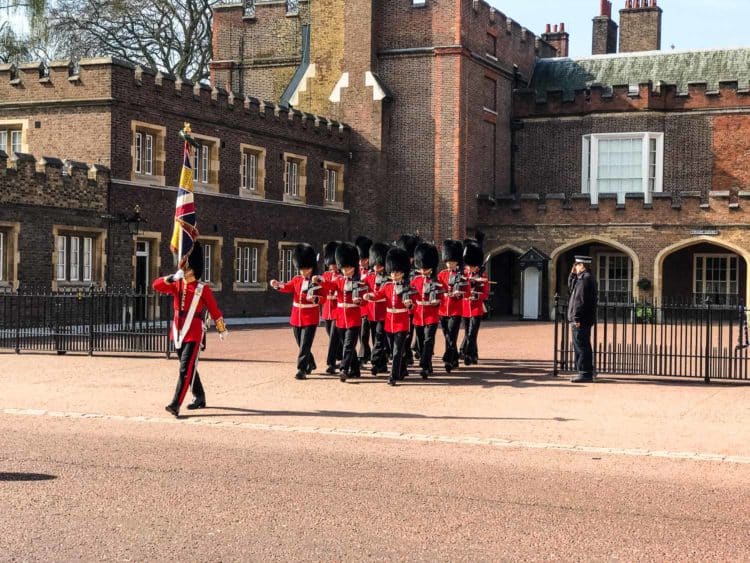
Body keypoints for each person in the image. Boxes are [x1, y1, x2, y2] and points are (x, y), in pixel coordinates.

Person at [153, 241, 227, 417]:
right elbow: (156, 286)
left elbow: (215, 310)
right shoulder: (177, 284)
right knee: (189, 367)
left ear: (192, 269)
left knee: (185, 369)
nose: (183, 269)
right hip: (178, 332)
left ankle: (175, 403)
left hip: (193, 333)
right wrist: (170, 278)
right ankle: (199, 396)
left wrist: (221, 328)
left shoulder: (202, 289)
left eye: (186, 266)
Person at [270, 243, 323, 380]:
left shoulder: (317, 281)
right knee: (301, 343)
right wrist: (277, 285)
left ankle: (301, 369)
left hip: (310, 317)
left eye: (306, 269)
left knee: (305, 344)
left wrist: (315, 299)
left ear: (311, 267)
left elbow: (323, 298)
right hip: (296, 316)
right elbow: (287, 287)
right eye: (301, 269)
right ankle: (310, 363)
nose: (303, 272)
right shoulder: (297, 279)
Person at [364, 247, 414, 386]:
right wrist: (369, 296)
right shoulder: (387, 286)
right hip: (389, 322)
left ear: (403, 272)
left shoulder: (407, 287)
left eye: (397, 272)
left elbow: (413, 304)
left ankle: (393, 376)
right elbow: (378, 295)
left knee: (397, 350)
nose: (394, 274)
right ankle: (402, 369)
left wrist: (409, 305)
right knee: (393, 351)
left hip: (402, 322)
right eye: (392, 271)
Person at [317, 242, 364, 382]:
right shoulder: (340, 281)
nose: (344, 271)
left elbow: (366, 300)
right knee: (346, 345)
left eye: (347, 267)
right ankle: (355, 369)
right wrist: (320, 280)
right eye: (343, 268)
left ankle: (344, 369)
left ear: (353, 267)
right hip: (340, 319)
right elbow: (330, 285)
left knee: (349, 345)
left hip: (354, 318)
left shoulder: (360, 283)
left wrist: (362, 300)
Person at [411, 242, 443, 378]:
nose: (423, 271)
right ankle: (428, 363)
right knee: (420, 340)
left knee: (428, 341)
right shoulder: (415, 280)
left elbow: (442, 295)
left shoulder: (437, 281)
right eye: (422, 268)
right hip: (418, 314)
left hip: (431, 314)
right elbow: (410, 295)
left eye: (426, 268)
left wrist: (438, 302)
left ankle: (424, 366)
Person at [568, 255, 598, 383]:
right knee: (581, 344)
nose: (574, 267)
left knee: (581, 345)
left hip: (581, 319)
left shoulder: (585, 279)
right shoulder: (583, 278)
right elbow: (571, 290)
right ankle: (585, 371)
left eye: (576, 264)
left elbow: (580, 300)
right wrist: (572, 275)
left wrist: (576, 317)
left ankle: (585, 373)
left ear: (582, 265)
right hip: (584, 318)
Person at [460, 234, 489, 365]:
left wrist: (476, 291)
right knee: (468, 332)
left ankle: (467, 353)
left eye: (472, 266)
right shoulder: (464, 275)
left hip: (476, 308)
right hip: (465, 307)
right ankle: (474, 354)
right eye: (469, 266)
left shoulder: (482, 275)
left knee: (472, 333)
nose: (470, 268)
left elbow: (485, 293)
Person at [438, 240, 465, 373]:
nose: (450, 264)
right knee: (447, 335)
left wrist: (459, 293)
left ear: (457, 262)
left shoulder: (461, 276)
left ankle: (448, 360)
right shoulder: (441, 274)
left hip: (455, 310)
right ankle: (454, 359)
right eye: (448, 262)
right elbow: (437, 290)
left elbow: (468, 291)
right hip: (443, 310)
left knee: (451, 335)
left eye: (452, 262)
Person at [364, 242, 390, 375]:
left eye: (379, 265)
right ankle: (382, 364)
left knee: (379, 338)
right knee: (375, 339)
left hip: (383, 312)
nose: (376, 267)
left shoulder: (388, 278)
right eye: (374, 264)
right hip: (370, 312)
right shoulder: (369, 277)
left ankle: (374, 362)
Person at [321, 241, 343, 374]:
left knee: (334, 337)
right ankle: (349, 358)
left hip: (337, 311)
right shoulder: (325, 276)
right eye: (330, 264)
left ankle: (331, 363)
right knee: (332, 336)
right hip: (327, 311)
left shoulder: (341, 277)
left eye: (334, 264)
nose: (332, 266)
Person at [355, 236, 373, 365]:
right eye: (360, 259)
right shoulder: (356, 271)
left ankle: (364, 355)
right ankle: (365, 353)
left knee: (366, 332)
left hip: (370, 306)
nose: (362, 262)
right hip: (359, 306)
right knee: (361, 334)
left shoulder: (373, 271)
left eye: (364, 259)